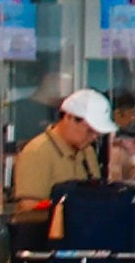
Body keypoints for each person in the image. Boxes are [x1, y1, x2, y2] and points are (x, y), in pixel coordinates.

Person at [8, 84, 113, 238]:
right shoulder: (38, 152)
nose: (93, 137)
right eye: (89, 131)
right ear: (69, 118)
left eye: (97, 133)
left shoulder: (87, 152)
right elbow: (29, 209)